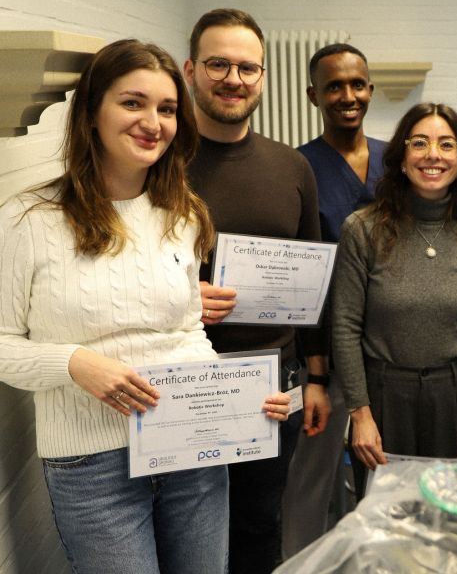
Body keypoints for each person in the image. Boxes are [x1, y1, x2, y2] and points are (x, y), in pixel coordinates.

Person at [0, 39, 290, 573]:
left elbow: (187, 332)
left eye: (167, 108)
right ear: (91, 112)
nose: (153, 123)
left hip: (191, 453)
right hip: (92, 467)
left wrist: (235, 399)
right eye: (133, 103)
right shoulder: (27, 219)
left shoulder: (182, 214)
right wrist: (75, 363)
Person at [183, 8, 331, 574]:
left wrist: (315, 379)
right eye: (218, 64)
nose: (233, 79)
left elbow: (310, 286)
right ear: (191, 70)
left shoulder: (291, 166)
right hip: (185, 380)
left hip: (272, 384)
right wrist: (182, 296)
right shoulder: (162, 162)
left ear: (263, 77)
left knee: (257, 527)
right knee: (187, 532)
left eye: (247, 68)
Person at [332, 102, 457, 482]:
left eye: (446, 144)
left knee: (448, 511)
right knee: (385, 512)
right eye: (420, 143)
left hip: (454, 398)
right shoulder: (363, 230)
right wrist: (360, 414)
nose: (433, 155)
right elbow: (344, 327)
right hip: (385, 397)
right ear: (402, 157)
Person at [283, 42, 386, 553]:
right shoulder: (298, 167)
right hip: (323, 348)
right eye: (334, 87)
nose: (348, 96)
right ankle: (300, 560)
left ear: (370, 89)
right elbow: (297, 278)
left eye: (357, 84)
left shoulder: (398, 160)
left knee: (384, 471)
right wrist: (315, 375)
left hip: (389, 347)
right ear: (313, 95)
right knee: (312, 474)